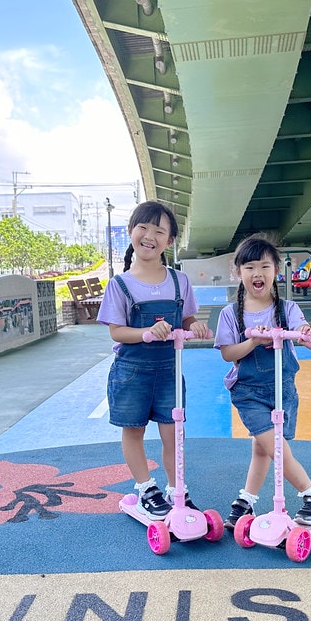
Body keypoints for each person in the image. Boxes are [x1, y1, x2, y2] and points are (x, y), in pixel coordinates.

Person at [96, 201, 211, 519]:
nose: (149, 236)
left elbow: (186, 319)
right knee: (133, 430)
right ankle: (146, 488)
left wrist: (194, 326)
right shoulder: (120, 285)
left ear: (169, 240)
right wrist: (146, 332)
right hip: (132, 371)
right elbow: (117, 332)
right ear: (131, 232)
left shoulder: (179, 281)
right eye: (143, 227)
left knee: (173, 432)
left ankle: (178, 491)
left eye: (159, 230)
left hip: (169, 370)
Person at [214, 235, 311, 529]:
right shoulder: (231, 314)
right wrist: (253, 341)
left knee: (263, 447)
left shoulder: (286, 309)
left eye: (265, 266)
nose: (257, 274)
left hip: (283, 390)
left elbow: (307, 337)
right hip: (248, 392)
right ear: (237, 272)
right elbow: (228, 354)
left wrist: (309, 334)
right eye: (249, 267)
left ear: (276, 270)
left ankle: (246, 501)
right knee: (275, 445)